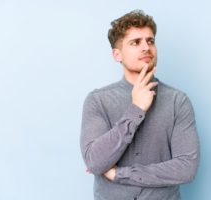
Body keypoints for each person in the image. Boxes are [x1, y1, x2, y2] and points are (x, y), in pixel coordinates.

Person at [80, 9, 200, 200]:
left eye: (150, 41)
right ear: (117, 54)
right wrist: (136, 109)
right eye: (136, 42)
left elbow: (186, 167)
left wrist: (121, 174)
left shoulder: (178, 101)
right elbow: (95, 162)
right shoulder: (98, 100)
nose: (146, 47)